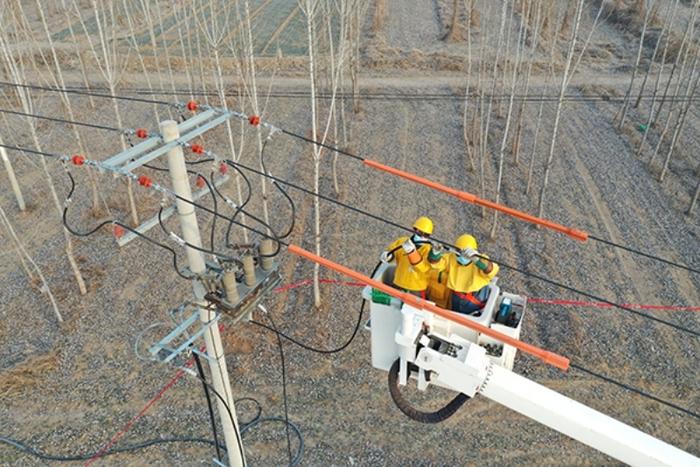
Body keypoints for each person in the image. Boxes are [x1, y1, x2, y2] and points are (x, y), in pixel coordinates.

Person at [380, 216, 437, 299]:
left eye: (426, 235)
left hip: (416, 288)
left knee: (414, 310)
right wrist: (388, 257)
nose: (422, 236)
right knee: (393, 307)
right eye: (420, 233)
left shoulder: (429, 249)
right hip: (399, 282)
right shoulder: (402, 241)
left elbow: (424, 268)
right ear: (415, 229)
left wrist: (412, 253)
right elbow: (392, 253)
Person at [442, 234, 499, 315]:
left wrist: (477, 260)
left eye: (464, 252)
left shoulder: (481, 260)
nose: (461, 255)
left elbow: (491, 270)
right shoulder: (452, 257)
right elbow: (437, 263)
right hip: (456, 297)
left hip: (475, 300)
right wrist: (435, 252)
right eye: (459, 251)